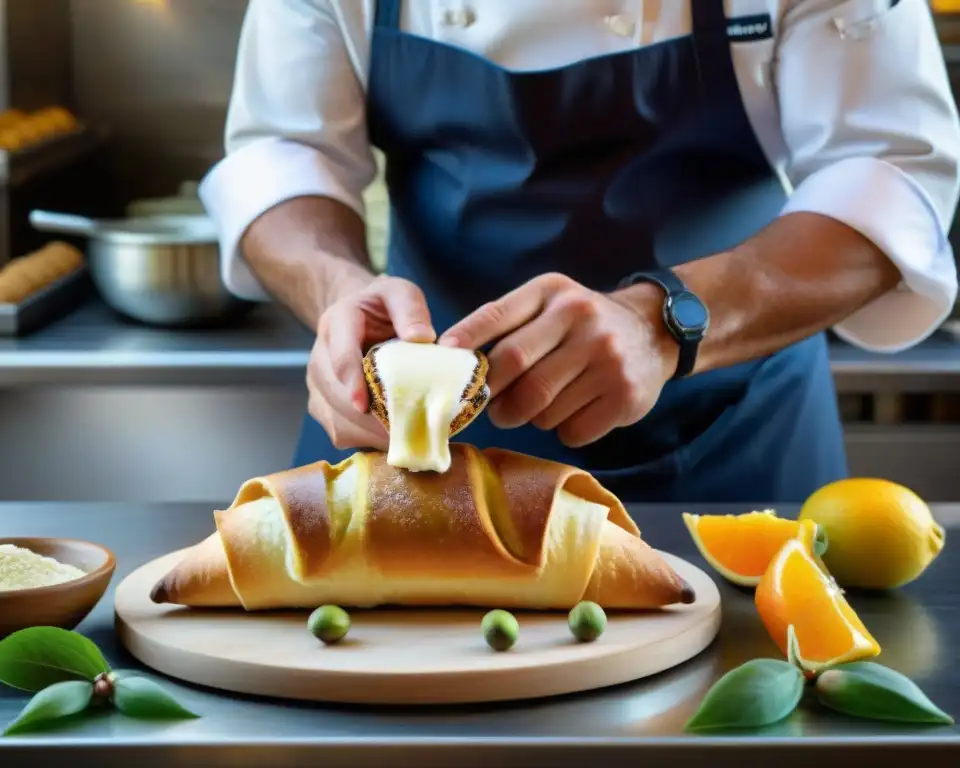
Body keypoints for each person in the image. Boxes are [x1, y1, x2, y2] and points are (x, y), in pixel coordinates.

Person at [201, 0, 960, 504]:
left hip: (731, 446)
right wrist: (337, 291)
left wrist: (666, 322)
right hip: (409, 454)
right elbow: (283, 150)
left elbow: (889, 172)